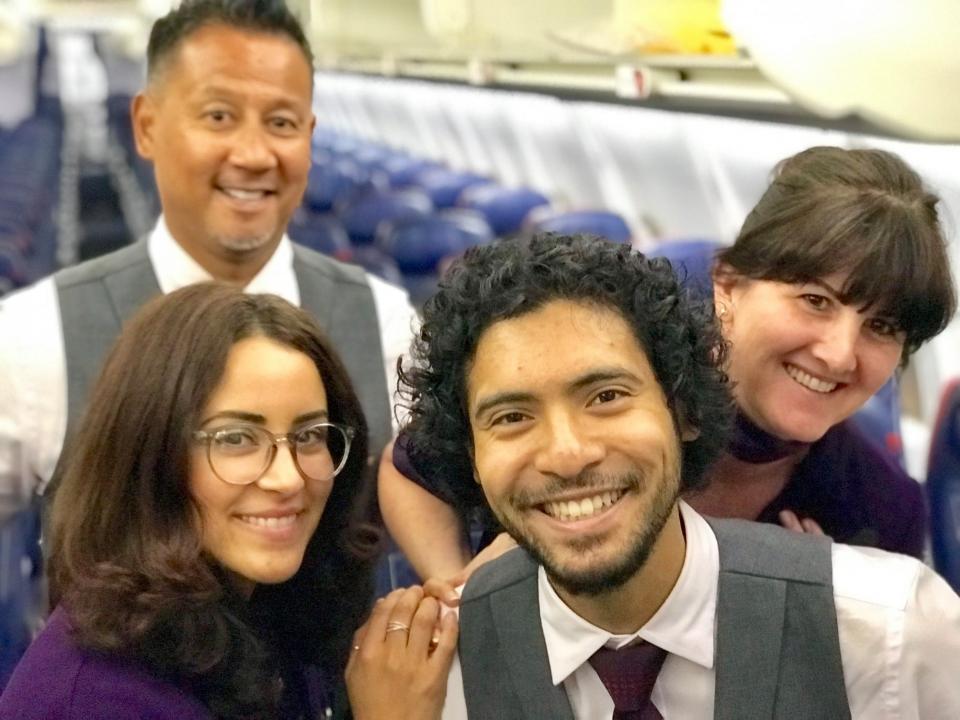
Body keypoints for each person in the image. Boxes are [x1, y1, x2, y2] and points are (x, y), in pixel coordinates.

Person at [349, 234, 960, 719]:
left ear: (685, 411)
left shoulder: (895, 633)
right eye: (512, 416)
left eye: (607, 395)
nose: (567, 453)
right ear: (473, 458)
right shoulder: (423, 682)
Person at [378, 146, 956, 588]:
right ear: (727, 286)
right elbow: (409, 466)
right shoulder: (601, 388)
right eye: (814, 300)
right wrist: (459, 591)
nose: (839, 353)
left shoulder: (882, 509)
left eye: (881, 327)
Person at [0, 0, 416, 523]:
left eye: (282, 122)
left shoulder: (388, 328)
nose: (252, 154)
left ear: (309, 138)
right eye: (219, 116)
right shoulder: (34, 338)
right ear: (146, 126)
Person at [0, 283, 457, 719]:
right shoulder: (95, 700)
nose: (287, 477)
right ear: (152, 455)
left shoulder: (268, 609)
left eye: (310, 435)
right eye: (236, 438)